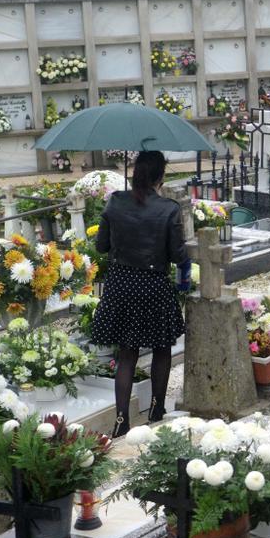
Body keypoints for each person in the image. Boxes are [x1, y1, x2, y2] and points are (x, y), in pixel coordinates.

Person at [92, 151, 190, 437]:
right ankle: (157, 411)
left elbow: (101, 247)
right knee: (161, 349)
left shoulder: (116, 202)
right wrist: (184, 278)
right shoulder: (168, 209)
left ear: (135, 173)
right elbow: (177, 254)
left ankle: (122, 422)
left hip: (121, 283)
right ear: (160, 176)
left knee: (127, 353)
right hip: (153, 284)